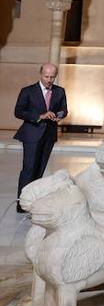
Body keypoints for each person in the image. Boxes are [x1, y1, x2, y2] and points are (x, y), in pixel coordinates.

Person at [14, 63, 67, 210]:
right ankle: (22, 204)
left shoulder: (60, 91)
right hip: (32, 134)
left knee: (40, 169)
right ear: (40, 74)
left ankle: (33, 202)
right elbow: (18, 111)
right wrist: (40, 116)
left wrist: (59, 116)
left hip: (49, 135)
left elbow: (64, 109)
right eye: (46, 76)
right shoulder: (28, 91)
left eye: (52, 77)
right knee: (29, 169)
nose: (49, 80)